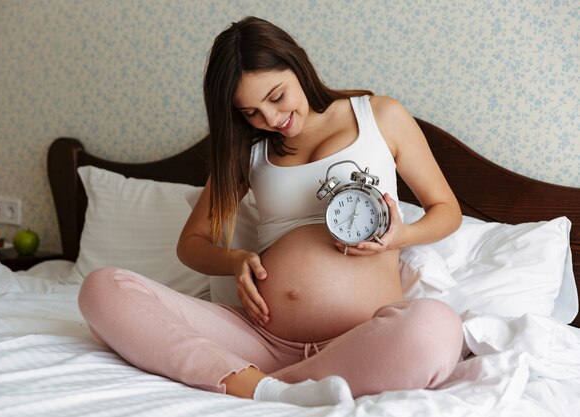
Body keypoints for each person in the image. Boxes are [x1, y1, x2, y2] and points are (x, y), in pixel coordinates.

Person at [78, 16, 464, 407]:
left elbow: (446, 210)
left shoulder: (379, 116)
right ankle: (271, 389)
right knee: (103, 288)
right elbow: (191, 244)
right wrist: (234, 261)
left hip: (361, 338)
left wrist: (402, 237)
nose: (271, 119)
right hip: (259, 338)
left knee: (436, 327)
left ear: (296, 64)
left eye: (276, 97)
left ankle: (260, 386)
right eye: (250, 112)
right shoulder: (250, 150)